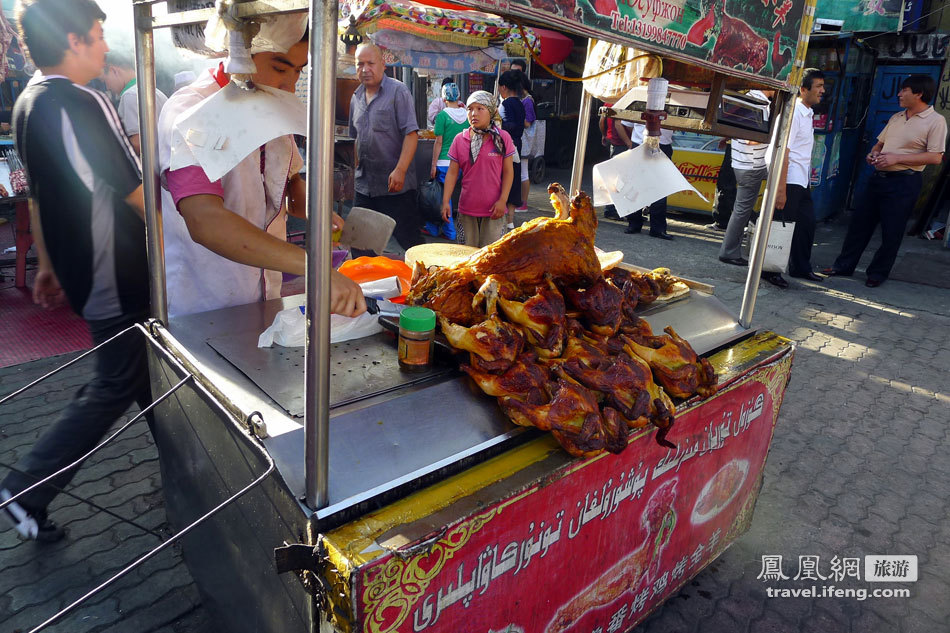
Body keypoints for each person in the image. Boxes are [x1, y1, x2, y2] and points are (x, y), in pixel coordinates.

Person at [1, 0, 150, 542]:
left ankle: (193, 478)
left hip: (85, 269)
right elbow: (138, 195)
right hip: (116, 268)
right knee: (118, 381)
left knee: (150, 377)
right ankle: (27, 489)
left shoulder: (28, 101)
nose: (105, 46)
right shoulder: (79, 102)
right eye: (97, 34)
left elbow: (41, 198)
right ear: (73, 40)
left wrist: (48, 265)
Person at [159, 18, 365, 317]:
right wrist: (313, 269)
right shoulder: (190, 111)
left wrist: (319, 212)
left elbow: (290, 186)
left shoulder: (270, 104)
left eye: (298, 71)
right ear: (239, 54)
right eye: (280, 68)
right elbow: (205, 219)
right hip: (205, 303)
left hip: (266, 295)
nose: (290, 84)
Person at [824, 75, 947, 288]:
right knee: (859, 225)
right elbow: (878, 145)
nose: (899, 94)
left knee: (892, 231)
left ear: (919, 93)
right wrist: (873, 155)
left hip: (904, 183)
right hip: (878, 179)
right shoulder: (897, 117)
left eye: (904, 90)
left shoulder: (936, 121)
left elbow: (936, 157)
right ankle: (843, 266)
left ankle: (877, 273)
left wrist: (897, 158)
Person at [350, 43, 423, 250]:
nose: (365, 69)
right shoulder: (355, 97)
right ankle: (369, 282)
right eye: (360, 64)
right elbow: (355, 137)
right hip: (364, 186)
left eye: (370, 63)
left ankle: (429, 279)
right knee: (359, 245)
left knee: (410, 244)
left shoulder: (398, 91)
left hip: (395, 188)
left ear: (383, 64)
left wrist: (400, 170)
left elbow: (411, 134)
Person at [765, 68, 825, 289]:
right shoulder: (794, 112)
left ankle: (800, 266)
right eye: (818, 86)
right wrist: (780, 190)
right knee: (781, 225)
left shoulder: (807, 113)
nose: (822, 91)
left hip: (801, 179)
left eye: (822, 86)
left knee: (806, 223)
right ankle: (769, 270)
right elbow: (784, 152)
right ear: (803, 89)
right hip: (788, 178)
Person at [440, 90, 515, 247]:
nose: (474, 113)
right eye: (470, 109)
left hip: (495, 211)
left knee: (491, 261)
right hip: (467, 210)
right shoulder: (460, 140)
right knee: (467, 261)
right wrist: (446, 201)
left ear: (491, 112)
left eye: (480, 108)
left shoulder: (502, 138)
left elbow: (508, 172)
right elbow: (452, 173)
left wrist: (503, 200)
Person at [718, 90, 774, 267]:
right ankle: (729, 252)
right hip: (751, 164)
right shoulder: (759, 103)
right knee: (741, 210)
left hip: (741, 161)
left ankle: (731, 250)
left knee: (741, 209)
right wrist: (774, 134)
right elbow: (751, 139)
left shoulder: (745, 97)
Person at [101, 49, 168, 155]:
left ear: (114, 71)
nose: (107, 87)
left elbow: (138, 143)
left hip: (151, 169)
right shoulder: (152, 90)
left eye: (105, 81)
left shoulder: (130, 95)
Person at [425, 81, 466, 239]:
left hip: (444, 162)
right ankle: (437, 229)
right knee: (452, 195)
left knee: (443, 197)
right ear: (459, 97)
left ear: (443, 99)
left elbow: (439, 142)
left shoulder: (442, 116)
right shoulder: (467, 115)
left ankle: (450, 232)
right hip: (461, 163)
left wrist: (433, 164)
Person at [624, 122, 674, 239]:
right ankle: (634, 223)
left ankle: (657, 228)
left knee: (660, 188)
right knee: (635, 186)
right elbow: (627, 123)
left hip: (663, 144)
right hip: (640, 143)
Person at [497, 70, 525, 233]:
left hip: (508, 146)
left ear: (504, 87)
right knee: (514, 179)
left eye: (500, 87)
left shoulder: (507, 104)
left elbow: (510, 125)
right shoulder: (520, 103)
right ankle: (510, 220)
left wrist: (497, 125)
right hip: (517, 145)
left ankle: (503, 218)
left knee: (505, 178)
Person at [517, 69, 536, 212]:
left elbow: (528, 122)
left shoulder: (527, 101)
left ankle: (524, 203)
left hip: (524, 140)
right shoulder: (524, 100)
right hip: (521, 140)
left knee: (523, 172)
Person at [708, 140, 735, 230]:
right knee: (726, 185)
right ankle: (722, 221)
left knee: (725, 186)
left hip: (737, 145)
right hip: (736, 145)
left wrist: (725, 138)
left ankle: (753, 220)